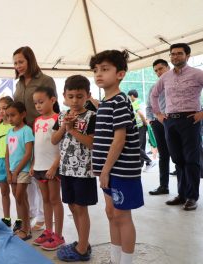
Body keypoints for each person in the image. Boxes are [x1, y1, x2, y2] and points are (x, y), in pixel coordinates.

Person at [90, 50, 144, 264]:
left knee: (122, 216)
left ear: (120, 74)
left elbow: (119, 140)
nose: (98, 74)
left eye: (105, 69)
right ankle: (115, 258)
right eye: (96, 70)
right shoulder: (106, 102)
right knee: (111, 213)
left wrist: (105, 171)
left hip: (120, 171)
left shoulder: (119, 101)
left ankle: (126, 261)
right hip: (109, 172)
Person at [151, 43, 203, 211]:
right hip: (170, 121)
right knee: (178, 159)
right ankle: (182, 195)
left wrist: (202, 112)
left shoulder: (197, 74)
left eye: (179, 54)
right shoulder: (165, 77)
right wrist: (159, 114)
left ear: (187, 56)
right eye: (172, 54)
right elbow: (154, 94)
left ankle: (192, 197)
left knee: (191, 160)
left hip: (191, 120)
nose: (175, 57)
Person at [52, 75, 97, 261]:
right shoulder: (62, 115)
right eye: (71, 96)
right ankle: (82, 243)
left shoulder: (92, 116)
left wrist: (72, 130)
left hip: (84, 171)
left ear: (88, 95)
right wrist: (64, 127)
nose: (75, 100)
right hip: (65, 170)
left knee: (81, 208)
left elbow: (92, 143)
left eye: (79, 96)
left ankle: (82, 248)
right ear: (64, 96)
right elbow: (54, 140)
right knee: (72, 206)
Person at [13, 46, 54, 230]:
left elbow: (55, 108)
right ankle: (28, 213)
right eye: (15, 63)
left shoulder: (46, 80)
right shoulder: (18, 83)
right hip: (22, 134)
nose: (18, 66)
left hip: (40, 133)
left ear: (30, 60)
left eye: (21, 61)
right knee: (26, 175)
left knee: (40, 176)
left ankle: (42, 216)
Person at [30, 87, 65, 251]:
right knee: (45, 200)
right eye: (35, 103)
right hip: (39, 167)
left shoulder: (59, 119)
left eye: (41, 102)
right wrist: (33, 164)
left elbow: (62, 147)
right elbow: (38, 145)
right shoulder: (37, 121)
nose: (38, 105)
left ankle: (58, 235)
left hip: (52, 167)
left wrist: (54, 166)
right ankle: (48, 231)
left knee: (55, 199)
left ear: (53, 100)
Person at [5, 102, 34, 240]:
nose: (10, 119)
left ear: (23, 114)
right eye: (8, 116)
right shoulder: (10, 131)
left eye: (13, 115)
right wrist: (9, 172)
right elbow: (7, 154)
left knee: (20, 197)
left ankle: (26, 229)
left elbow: (28, 154)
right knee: (19, 199)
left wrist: (16, 172)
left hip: (23, 170)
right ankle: (23, 226)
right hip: (12, 170)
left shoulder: (27, 130)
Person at [146, 59, 172, 195]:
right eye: (155, 70)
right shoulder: (153, 87)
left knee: (180, 156)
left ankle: (184, 191)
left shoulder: (175, 84)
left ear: (168, 67)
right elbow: (148, 106)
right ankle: (164, 186)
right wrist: (151, 121)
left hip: (174, 122)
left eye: (160, 69)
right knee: (163, 155)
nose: (158, 72)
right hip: (158, 124)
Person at [0, 96, 14, 227]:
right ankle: (7, 218)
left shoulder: (14, 126)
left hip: (12, 162)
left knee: (18, 194)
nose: (1, 111)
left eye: (4, 108)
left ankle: (22, 220)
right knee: (4, 192)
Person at [127, 90, 156, 171]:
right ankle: (142, 164)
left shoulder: (135, 103)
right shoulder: (141, 102)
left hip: (140, 125)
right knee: (141, 146)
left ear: (132, 96)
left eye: (129, 96)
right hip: (143, 125)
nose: (129, 98)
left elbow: (141, 113)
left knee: (136, 146)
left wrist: (145, 123)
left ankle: (149, 161)